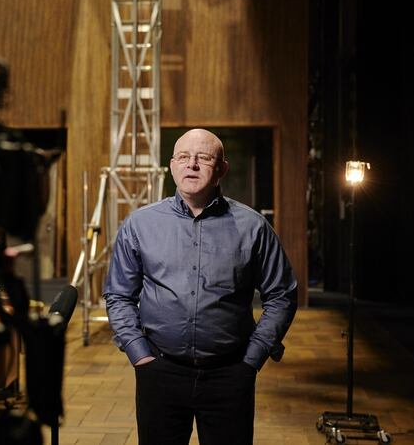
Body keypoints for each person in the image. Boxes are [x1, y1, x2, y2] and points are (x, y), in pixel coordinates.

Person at [103, 128, 298, 445]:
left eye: (203, 158)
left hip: (229, 375)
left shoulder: (253, 227)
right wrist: (140, 357)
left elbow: (282, 295)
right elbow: (118, 296)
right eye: (183, 157)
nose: (191, 165)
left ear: (221, 168)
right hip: (160, 372)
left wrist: (253, 358)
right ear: (172, 165)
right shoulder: (140, 225)